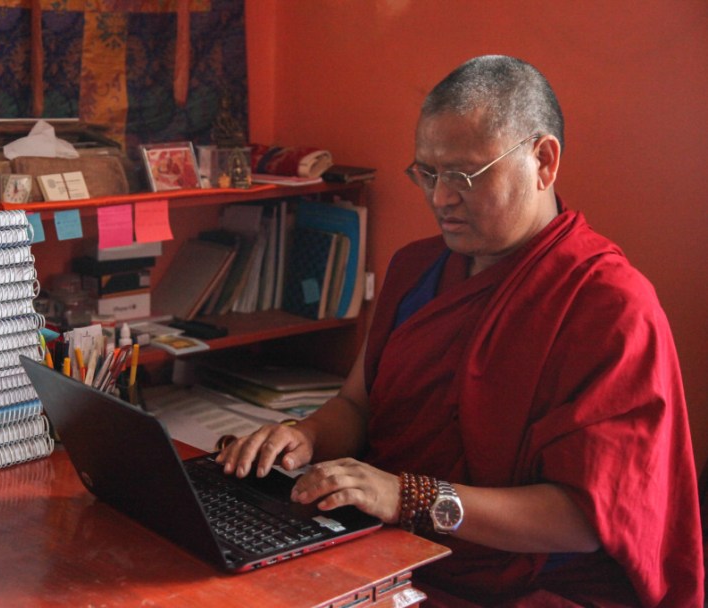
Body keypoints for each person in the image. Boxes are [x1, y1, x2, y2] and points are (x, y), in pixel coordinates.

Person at [216, 55, 704, 606]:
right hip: (386, 548)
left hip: (530, 585)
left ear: (543, 162)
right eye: (426, 172)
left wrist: (411, 497)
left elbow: (584, 518)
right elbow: (357, 406)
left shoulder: (608, 305)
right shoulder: (415, 267)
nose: (440, 197)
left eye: (464, 176)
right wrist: (302, 437)